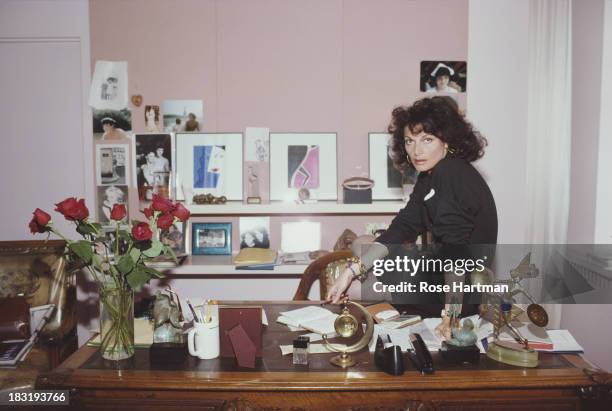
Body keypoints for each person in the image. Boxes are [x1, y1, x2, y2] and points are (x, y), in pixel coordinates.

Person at [326, 96, 497, 333]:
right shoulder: (431, 176)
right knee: (362, 245)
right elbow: (402, 227)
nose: (416, 150)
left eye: (427, 140)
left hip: (456, 292)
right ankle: (388, 306)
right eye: (409, 141)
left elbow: (455, 253)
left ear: (446, 141)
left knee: (358, 287)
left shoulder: (450, 173)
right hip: (438, 277)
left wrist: (452, 316)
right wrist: (350, 271)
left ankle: (393, 311)